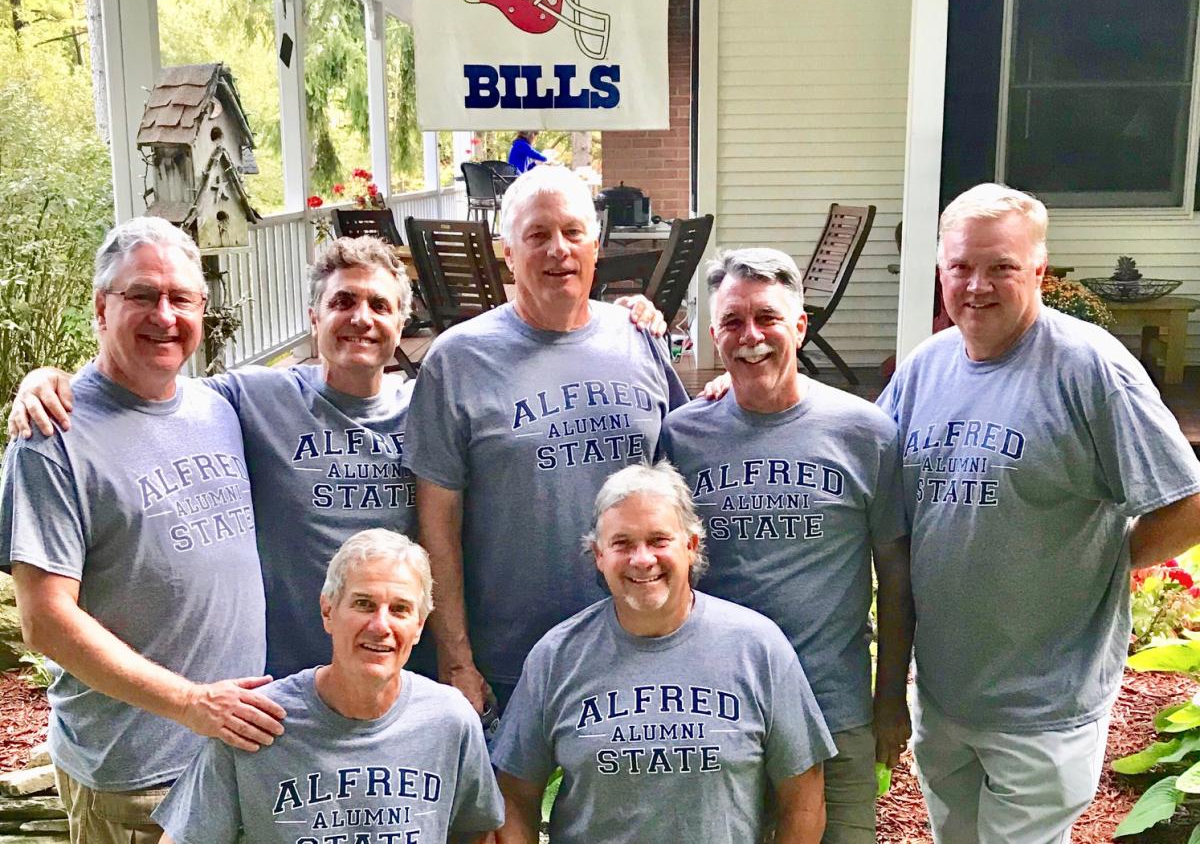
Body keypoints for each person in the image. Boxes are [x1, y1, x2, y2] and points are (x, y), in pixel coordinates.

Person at [877, 183, 1200, 843]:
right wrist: (745, 388)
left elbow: (1189, 502)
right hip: (944, 692)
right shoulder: (925, 368)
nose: (976, 285)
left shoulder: (1091, 370)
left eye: (1001, 267)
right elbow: (864, 463)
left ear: (1039, 273)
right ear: (940, 269)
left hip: (1045, 706)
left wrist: (1113, 563)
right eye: (960, 266)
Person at [8, 235, 428, 680]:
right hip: (279, 683)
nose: (361, 318)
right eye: (343, 301)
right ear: (314, 318)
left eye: (380, 306)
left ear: (402, 324)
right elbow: (145, 387)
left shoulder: (428, 411)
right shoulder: (251, 397)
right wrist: (48, 379)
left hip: (397, 667)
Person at [0, 217, 283, 844]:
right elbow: (44, 619)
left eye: (182, 298)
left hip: (233, 754)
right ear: (102, 307)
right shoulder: (54, 440)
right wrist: (190, 703)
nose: (165, 314)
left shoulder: (216, 406)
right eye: (142, 295)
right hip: (139, 779)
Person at [404, 165, 689, 715]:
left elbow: (682, 471)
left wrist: (728, 388)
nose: (558, 249)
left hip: (634, 646)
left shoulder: (638, 339)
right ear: (508, 253)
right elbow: (436, 524)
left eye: (572, 232)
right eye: (537, 235)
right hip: (509, 661)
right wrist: (456, 660)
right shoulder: (458, 360)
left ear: (595, 245)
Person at [661, 246, 913, 844]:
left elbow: (896, 578)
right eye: (732, 322)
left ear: (799, 326)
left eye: (768, 318)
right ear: (713, 336)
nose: (751, 337)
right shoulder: (682, 436)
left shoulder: (866, 433)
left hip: (835, 707)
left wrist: (890, 699)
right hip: (718, 711)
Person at [491, 461, 835, 844]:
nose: (642, 559)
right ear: (598, 555)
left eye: (658, 540)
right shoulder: (557, 657)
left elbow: (803, 797)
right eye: (622, 543)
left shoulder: (758, 648)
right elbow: (513, 794)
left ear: (691, 546)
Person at [154, 528, 504, 844]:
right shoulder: (255, 719)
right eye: (363, 604)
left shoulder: (450, 720)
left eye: (399, 610)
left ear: (418, 627)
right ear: (328, 611)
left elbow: (475, 832)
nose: (381, 626)